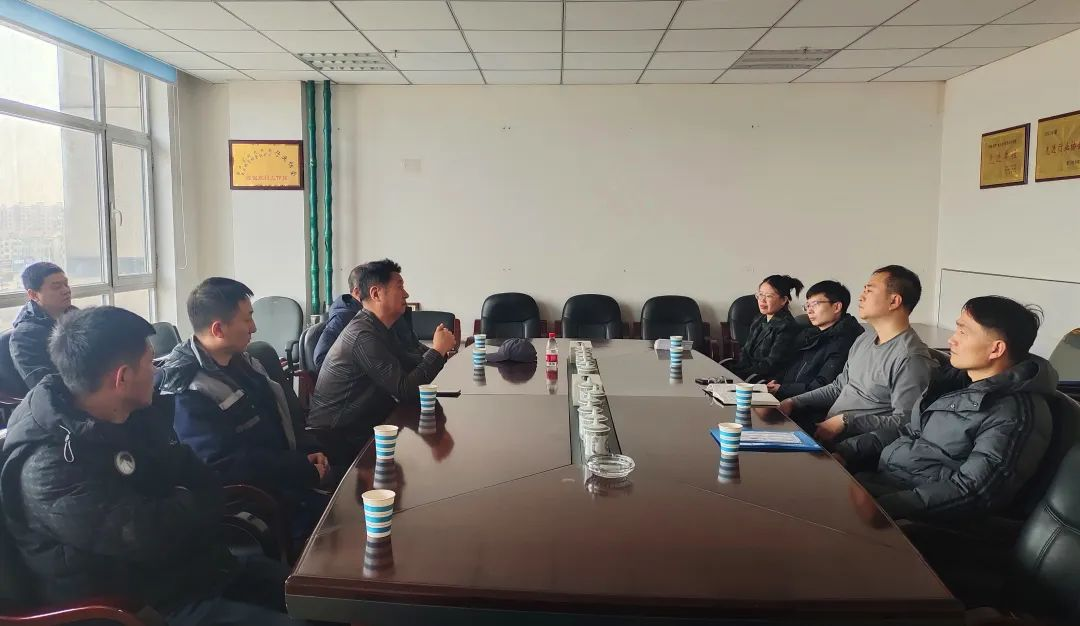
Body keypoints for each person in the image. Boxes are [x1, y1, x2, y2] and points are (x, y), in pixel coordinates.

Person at [0, 306, 304, 625]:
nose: (157, 371)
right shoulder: (50, 464)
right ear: (122, 378)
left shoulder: (132, 413)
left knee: (314, 598)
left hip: (193, 570)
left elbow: (199, 476)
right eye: (150, 363)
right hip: (138, 606)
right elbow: (151, 535)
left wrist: (184, 502)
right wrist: (190, 500)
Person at [834, 296, 1054, 523]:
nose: (951, 340)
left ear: (996, 349)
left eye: (963, 332)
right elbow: (908, 431)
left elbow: (974, 490)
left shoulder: (1014, 415)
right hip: (882, 484)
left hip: (917, 517)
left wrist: (885, 507)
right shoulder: (953, 382)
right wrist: (845, 451)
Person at [157, 278, 330, 538]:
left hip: (287, 480)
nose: (254, 327)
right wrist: (299, 468)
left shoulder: (245, 361)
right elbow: (224, 466)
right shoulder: (188, 388)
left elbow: (280, 417)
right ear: (218, 329)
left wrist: (307, 451)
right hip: (255, 502)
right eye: (247, 319)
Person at [307, 259, 456, 465]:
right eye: (399, 287)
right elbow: (404, 389)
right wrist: (438, 351)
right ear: (376, 293)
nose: (406, 294)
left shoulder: (380, 327)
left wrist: (439, 352)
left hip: (365, 424)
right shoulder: (362, 335)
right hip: (339, 438)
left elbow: (410, 364)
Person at [777, 265, 937, 444]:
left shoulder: (910, 358)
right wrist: (793, 401)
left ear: (894, 301)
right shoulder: (864, 339)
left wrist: (847, 422)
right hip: (824, 433)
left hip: (854, 448)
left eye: (869, 290)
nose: (861, 297)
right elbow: (838, 387)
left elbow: (906, 423)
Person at [313, 264, 423, 370]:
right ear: (357, 292)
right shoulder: (344, 319)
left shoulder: (386, 314)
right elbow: (321, 360)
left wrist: (431, 354)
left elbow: (410, 347)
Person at [766, 280, 864, 400]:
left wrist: (782, 389)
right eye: (807, 305)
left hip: (808, 403)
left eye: (815, 304)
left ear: (837, 307)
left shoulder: (845, 340)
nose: (809, 310)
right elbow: (788, 366)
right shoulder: (810, 334)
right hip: (788, 396)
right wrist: (776, 381)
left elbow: (824, 386)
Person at [726, 274, 804, 382]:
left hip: (766, 381)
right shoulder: (759, 318)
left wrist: (739, 374)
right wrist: (735, 371)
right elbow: (746, 351)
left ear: (783, 300)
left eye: (768, 296)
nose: (762, 300)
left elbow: (771, 364)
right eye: (760, 294)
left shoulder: (787, 326)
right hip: (748, 375)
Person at [9, 261, 75, 388]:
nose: (66, 290)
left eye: (66, 284)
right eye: (56, 287)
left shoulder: (74, 314)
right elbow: (45, 387)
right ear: (33, 294)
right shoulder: (25, 336)